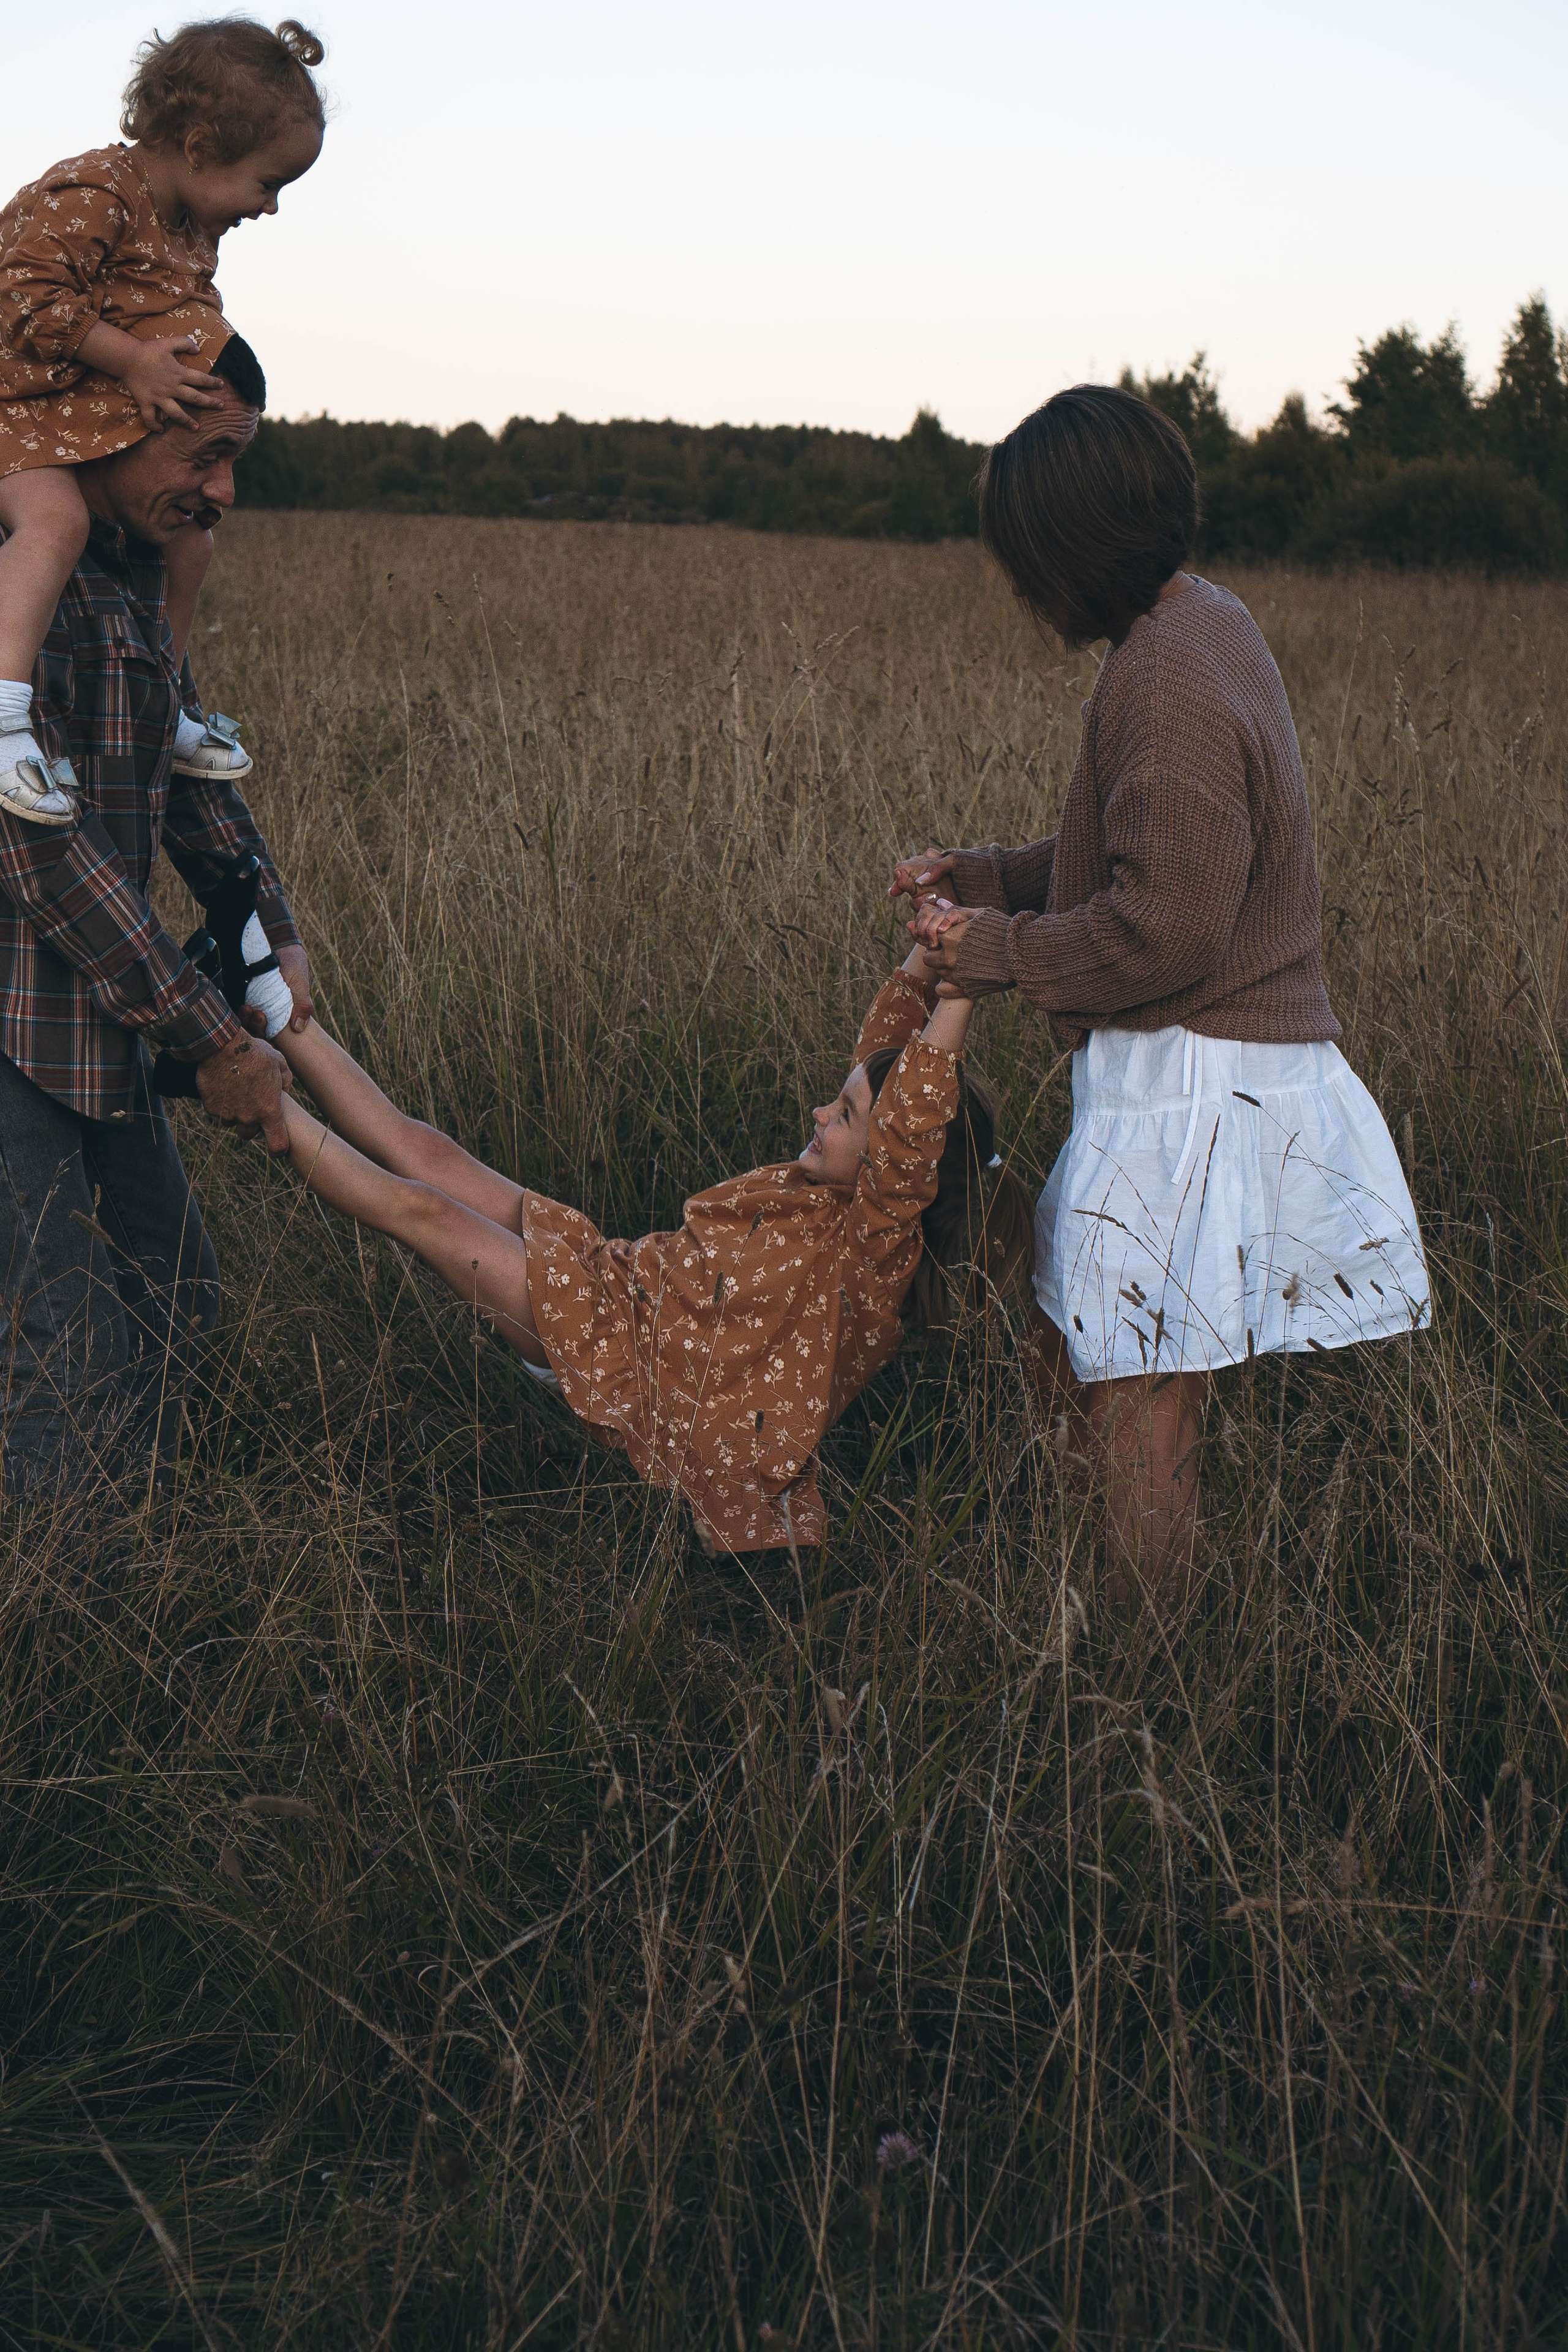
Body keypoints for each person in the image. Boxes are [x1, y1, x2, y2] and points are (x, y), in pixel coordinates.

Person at [894, 383, 1428, 1590]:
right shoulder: (1202, 626)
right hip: (1207, 1064)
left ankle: (1143, 1671)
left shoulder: (1163, 678)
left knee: (1134, 1392)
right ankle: (1139, 1624)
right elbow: (1154, 857)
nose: (1019, 591)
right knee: (1111, 1359)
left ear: (1066, 551)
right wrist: (990, 877)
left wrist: (994, 951)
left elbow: (1168, 924)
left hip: (1191, 1075)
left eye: (1021, 559)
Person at [244, 948, 1034, 1553]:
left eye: (847, 1114)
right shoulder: (831, 1189)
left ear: (895, 1158)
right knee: (426, 1154)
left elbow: (911, 1117)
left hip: (627, 1354)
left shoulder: (872, 1255)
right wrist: (924, 967)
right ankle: (263, 999)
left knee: (423, 1211)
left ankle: (254, 1094)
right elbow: (890, 1063)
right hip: (613, 1277)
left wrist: (960, 1000)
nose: (822, 1111)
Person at [0, 330, 306, 1498]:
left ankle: (162, 1564)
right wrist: (212, 1040)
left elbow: (184, 775)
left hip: (87, 1018)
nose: (224, 493)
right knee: (65, 1353)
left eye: (239, 462)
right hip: (13, 1017)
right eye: (205, 454)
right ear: (104, 423)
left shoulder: (132, 580)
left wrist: (265, 924)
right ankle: (62, 1642)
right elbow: (45, 858)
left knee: (179, 1300)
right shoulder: (20, 593)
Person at [0, 16, 326, 825]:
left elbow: (194, 323)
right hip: (15, 406)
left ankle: (166, 703)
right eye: (267, 182)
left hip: (77, 418)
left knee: (192, 539)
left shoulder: (190, 234)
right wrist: (135, 363)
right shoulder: (93, 193)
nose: (272, 207)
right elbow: (25, 296)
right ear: (198, 147)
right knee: (56, 521)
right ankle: (5, 715)